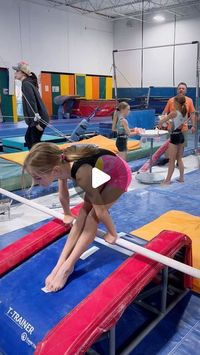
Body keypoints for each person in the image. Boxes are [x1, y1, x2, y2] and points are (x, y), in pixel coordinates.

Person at [23, 142, 132, 292]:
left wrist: (112, 233)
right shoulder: (60, 165)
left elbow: (100, 211)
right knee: (82, 212)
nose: (35, 182)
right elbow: (63, 194)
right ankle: (60, 263)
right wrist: (67, 213)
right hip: (101, 170)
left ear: (54, 170)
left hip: (118, 174)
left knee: (92, 216)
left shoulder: (80, 174)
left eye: (37, 178)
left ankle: (67, 267)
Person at [13, 61, 49, 150]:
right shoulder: (28, 82)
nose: (15, 73)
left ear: (22, 73)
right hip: (37, 118)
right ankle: (36, 160)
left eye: (17, 71)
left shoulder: (26, 84)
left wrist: (36, 122)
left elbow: (32, 103)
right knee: (29, 139)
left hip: (39, 118)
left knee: (33, 143)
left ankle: (38, 161)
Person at [160, 82, 196, 165]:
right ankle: (168, 158)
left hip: (183, 129)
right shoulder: (171, 100)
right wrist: (163, 121)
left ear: (186, 90)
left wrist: (193, 125)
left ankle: (178, 161)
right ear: (177, 90)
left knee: (181, 145)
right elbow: (164, 112)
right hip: (171, 128)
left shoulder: (189, 101)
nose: (181, 90)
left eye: (183, 88)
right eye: (179, 88)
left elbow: (192, 114)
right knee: (169, 144)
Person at [158, 95, 188, 184]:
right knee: (179, 158)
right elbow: (178, 123)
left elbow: (161, 121)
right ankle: (181, 178)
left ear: (177, 103)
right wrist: (170, 122)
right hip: (181, 135)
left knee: (172, 160)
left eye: (174, 102)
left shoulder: (173, 113)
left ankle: (167, 180)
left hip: (174, 137)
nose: (173, 104)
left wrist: (161, 122)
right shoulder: (184, 112)